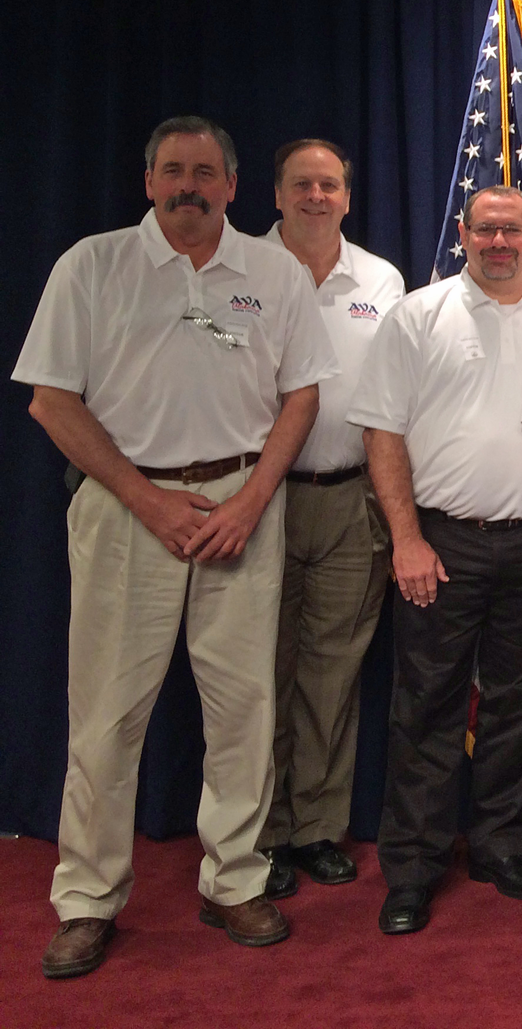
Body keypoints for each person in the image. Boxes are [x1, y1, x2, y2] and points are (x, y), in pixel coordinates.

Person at [19, 116, 336, 978]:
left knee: (244, 709)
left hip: (243, 506)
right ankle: (87, 899)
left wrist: (251, 501)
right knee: (107, 717)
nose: (188, 185)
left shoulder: (273, 273)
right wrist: (148, 501)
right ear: (149, 181)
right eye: (172, 170)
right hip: (128, 508)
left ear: (232, 186)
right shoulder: (92, 266)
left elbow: (302, 397)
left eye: (204, 172)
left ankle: (235, 880)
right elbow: (52, 401)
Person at [350, 185, 522, 936]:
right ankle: (413, 867)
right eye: (485, 230)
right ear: (464, 235)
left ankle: (500, 846)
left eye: (513, 230)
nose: (499, 242)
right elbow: (381, 433)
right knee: (427, 704)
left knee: (519, 701)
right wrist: (406, 539)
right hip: (440, 542)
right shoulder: (418, 316)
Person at [257, 139, 407, 901]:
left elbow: (393, 398)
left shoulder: (381, 280)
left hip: (352, 498)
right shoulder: (241, 270)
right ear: (276, 194)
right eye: (302, 184)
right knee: (258, 674)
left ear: (348, 197)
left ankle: (315, 829)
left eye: (329, 185)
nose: (316, 196)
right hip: (261, 500)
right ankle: (259, 835)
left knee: (331, 675)